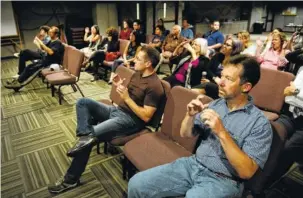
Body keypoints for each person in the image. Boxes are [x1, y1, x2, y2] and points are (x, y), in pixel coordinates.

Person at [128, 54, 273, 198]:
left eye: (228, 79)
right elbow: (186, 134)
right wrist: (189, 116)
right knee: (136, 184)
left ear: (246, 87)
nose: (220, 82)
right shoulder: (215, 105)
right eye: (221, 76)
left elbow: (247, 172)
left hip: (223, 179)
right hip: (193, 164)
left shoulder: (259, 124)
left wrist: (221, 132)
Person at [47, 46, 165, 194]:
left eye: (138, 59)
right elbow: (130, 96)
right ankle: (85, 137)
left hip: (130, 121)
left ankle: (70, 180)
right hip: (117, 111)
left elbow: (146, 116)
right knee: (83, 102)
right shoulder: (138, 74)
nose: (134, 60)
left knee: (92, 136)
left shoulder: (155, 87)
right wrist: (120, 86)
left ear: (148, 64)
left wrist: (127, 98)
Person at [267, 66, 303, 187]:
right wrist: (291, 92)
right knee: (271, 135)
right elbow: (288, 95)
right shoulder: (302, 69)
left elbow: (293, 92)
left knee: (287, 149)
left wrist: (296, 92)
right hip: (291, 114)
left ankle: (268, 184)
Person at [5, 26, 65, 91]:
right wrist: (39, 41)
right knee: (29, 67)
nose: (49, 33)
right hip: (46, 60)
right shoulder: (52, 41)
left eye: (51, 32)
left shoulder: (57, 42)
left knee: (31, 68)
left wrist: (42, 44)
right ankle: (18, 83)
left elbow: (50, 52)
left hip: (51, 62)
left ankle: (18, 84)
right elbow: (43, 48)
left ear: (56, 34)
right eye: (49, 32)